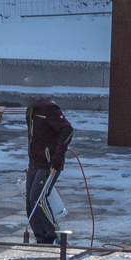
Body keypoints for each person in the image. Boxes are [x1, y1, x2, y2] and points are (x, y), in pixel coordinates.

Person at [24, 96, 74, 244]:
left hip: (49, 163)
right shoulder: (31, 110)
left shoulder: (49, 109)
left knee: (38, 198)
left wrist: (58, 156)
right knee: (30, 203)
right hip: (35, 161)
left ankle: (54, 236)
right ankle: (41, 237)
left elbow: (67, 130)